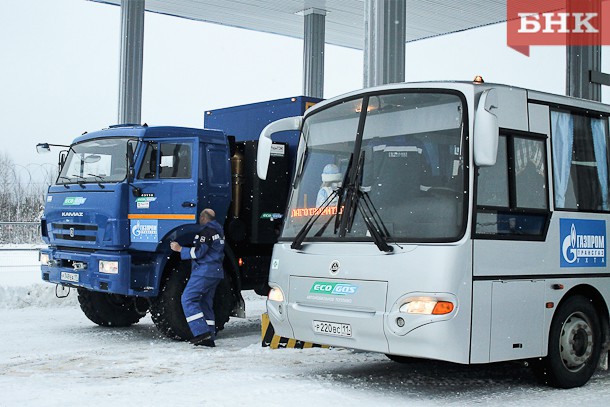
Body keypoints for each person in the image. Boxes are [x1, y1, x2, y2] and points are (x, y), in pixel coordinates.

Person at [170, 208, 225, 347]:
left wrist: (180, 249)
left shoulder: (205, 232)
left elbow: (199, 252)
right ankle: (210, 333)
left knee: (188, 298)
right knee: (206, 302)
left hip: (204, 271)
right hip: (216, 272)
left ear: (203, 218)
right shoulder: (219, 231)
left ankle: (201, 333)